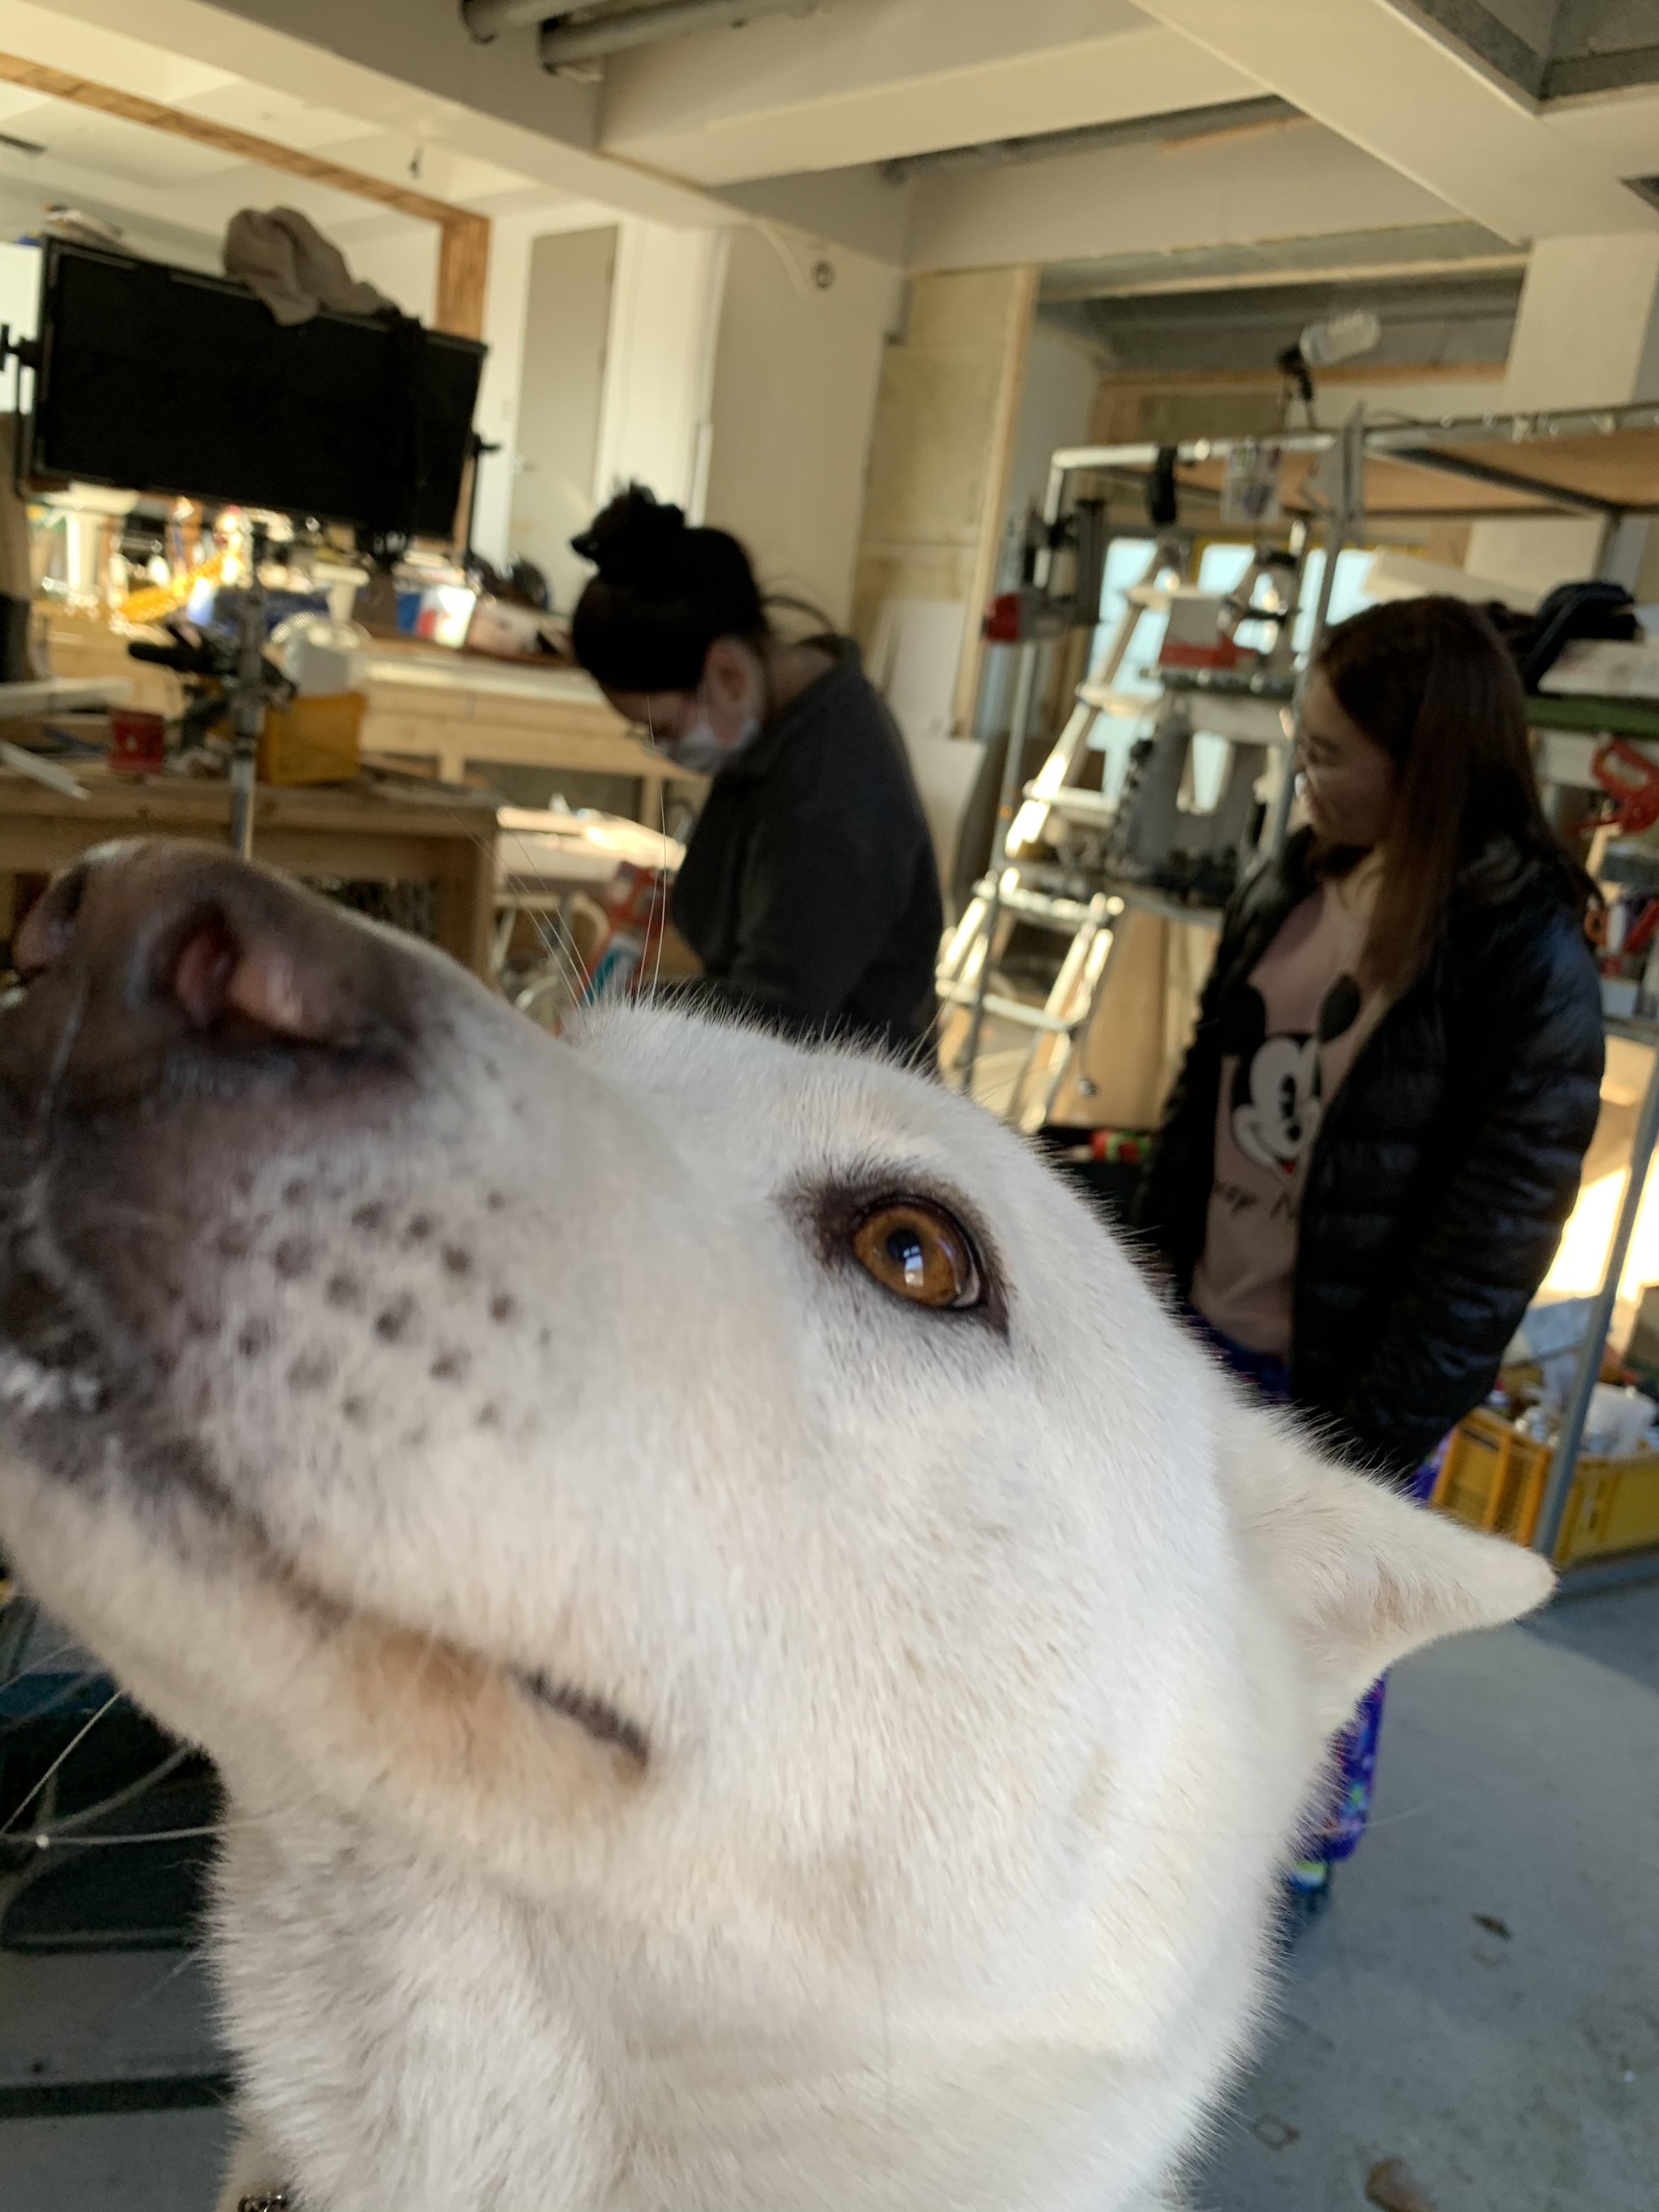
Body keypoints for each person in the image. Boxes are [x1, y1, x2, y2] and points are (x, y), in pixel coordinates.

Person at [1136, 594, 1604, 1921]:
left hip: (1352, 1369)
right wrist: (1142, 1277)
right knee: (1178, 1594)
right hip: (1208, 1322)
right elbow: (1203, 1088)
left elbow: (1501, 1226)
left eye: (1332, 754)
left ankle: (1290, 1857)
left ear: (1427, 766)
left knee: (1319, 1634)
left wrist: (1386, 1423)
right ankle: (1170, 1818)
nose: (1305, 775)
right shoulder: (1298, 879)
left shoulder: (1522, 951)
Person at [568, 486, 943, 1058]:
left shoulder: (826, 791)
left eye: (663, 729)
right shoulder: (789, 717)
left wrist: (625, 1016)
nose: (663, 749)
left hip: (837, 1096)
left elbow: (776, 1018)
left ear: (728, 673)